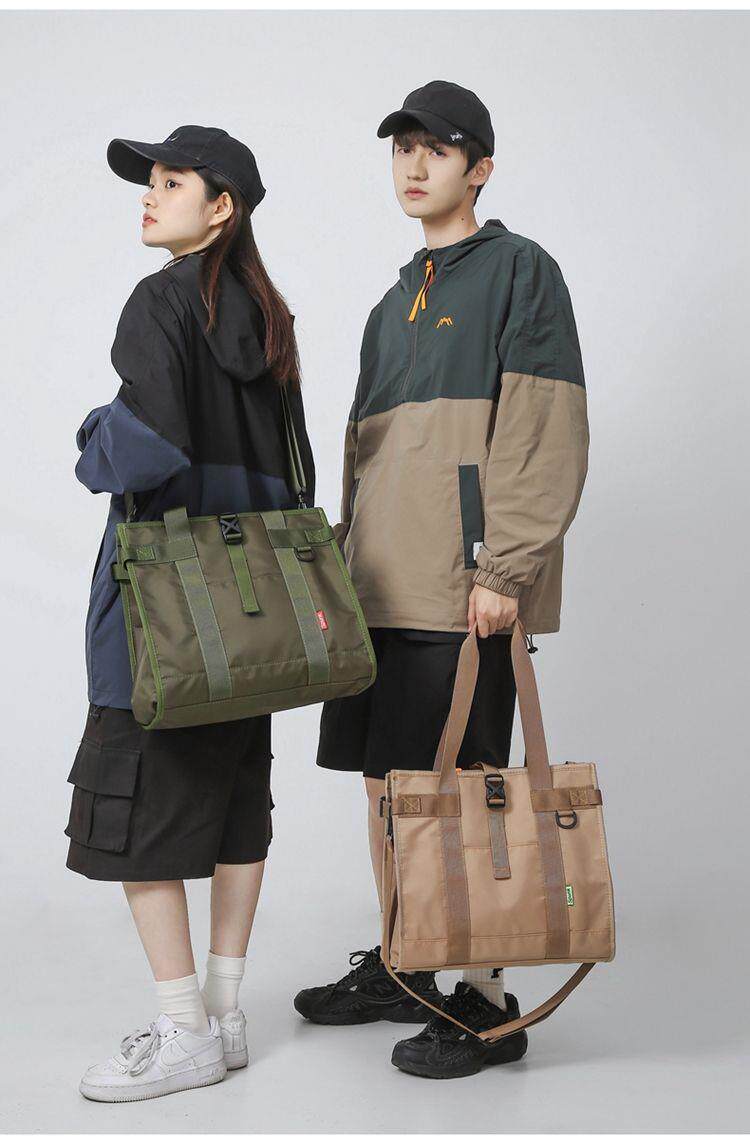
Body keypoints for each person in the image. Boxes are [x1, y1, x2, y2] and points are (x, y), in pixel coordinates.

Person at [294, 82, 589, 1079]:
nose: (415, 165)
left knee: (463, 790)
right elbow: (369, 458)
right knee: (388, 788)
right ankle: (406, 959)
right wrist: (337, 570)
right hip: (377, 590)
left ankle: (487, 1003)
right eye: (402, 148)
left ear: (481, 166)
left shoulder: (519, 271)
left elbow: (546, 426)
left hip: (463, 587)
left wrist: (505, 566)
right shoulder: (392, 303)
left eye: (438, 148)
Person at [65, 125, 315, 1102]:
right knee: (235, 805)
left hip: (165, 613)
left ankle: (182, 1030)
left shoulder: (162, 300)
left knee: (137, 807)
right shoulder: (268, 319)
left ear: (221, 209)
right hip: (253, 615)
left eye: (173, 182)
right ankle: (224, 1011)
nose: (149, 194)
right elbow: (285, 476)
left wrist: (92, 434)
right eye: (151, 180)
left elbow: (146, 444)